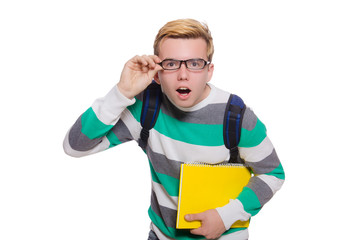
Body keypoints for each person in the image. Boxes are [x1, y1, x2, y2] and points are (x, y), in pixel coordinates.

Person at [63, 18, 285, 240]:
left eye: (195, 63)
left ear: (209, 71)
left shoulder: (235, 115)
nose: (183, 74)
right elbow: (75, 146)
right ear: (157, 74)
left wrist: (225, 216)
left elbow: (273, 173)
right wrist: (122, 92)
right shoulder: (146, 109)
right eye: (171, 64)